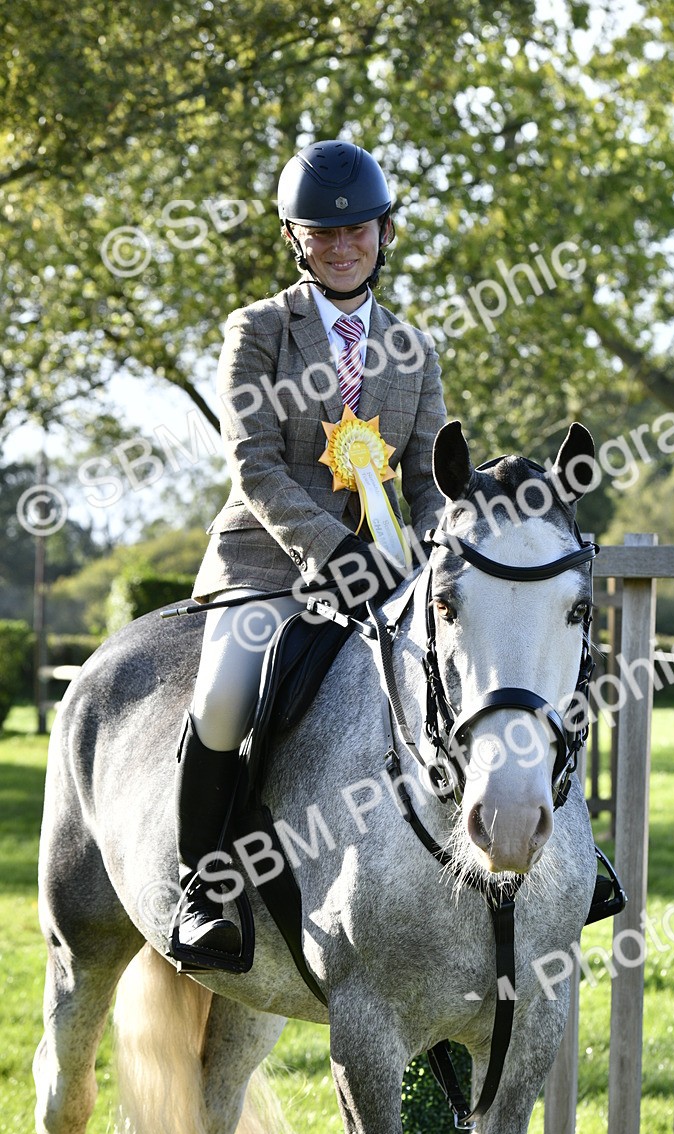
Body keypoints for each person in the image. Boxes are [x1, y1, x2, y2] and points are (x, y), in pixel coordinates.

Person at [172, 140, 447, 967]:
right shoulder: (258, 330)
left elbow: (429, 479)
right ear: (295, 237)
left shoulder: (413, 349)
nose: (341, 246)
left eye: (356, 230)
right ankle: (204, 889)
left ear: (385, 232)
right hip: (266, 562)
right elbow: (254, 464)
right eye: (322, 233)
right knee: (225, 696)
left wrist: (437, 555)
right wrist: (333, 550)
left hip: (385, 567)